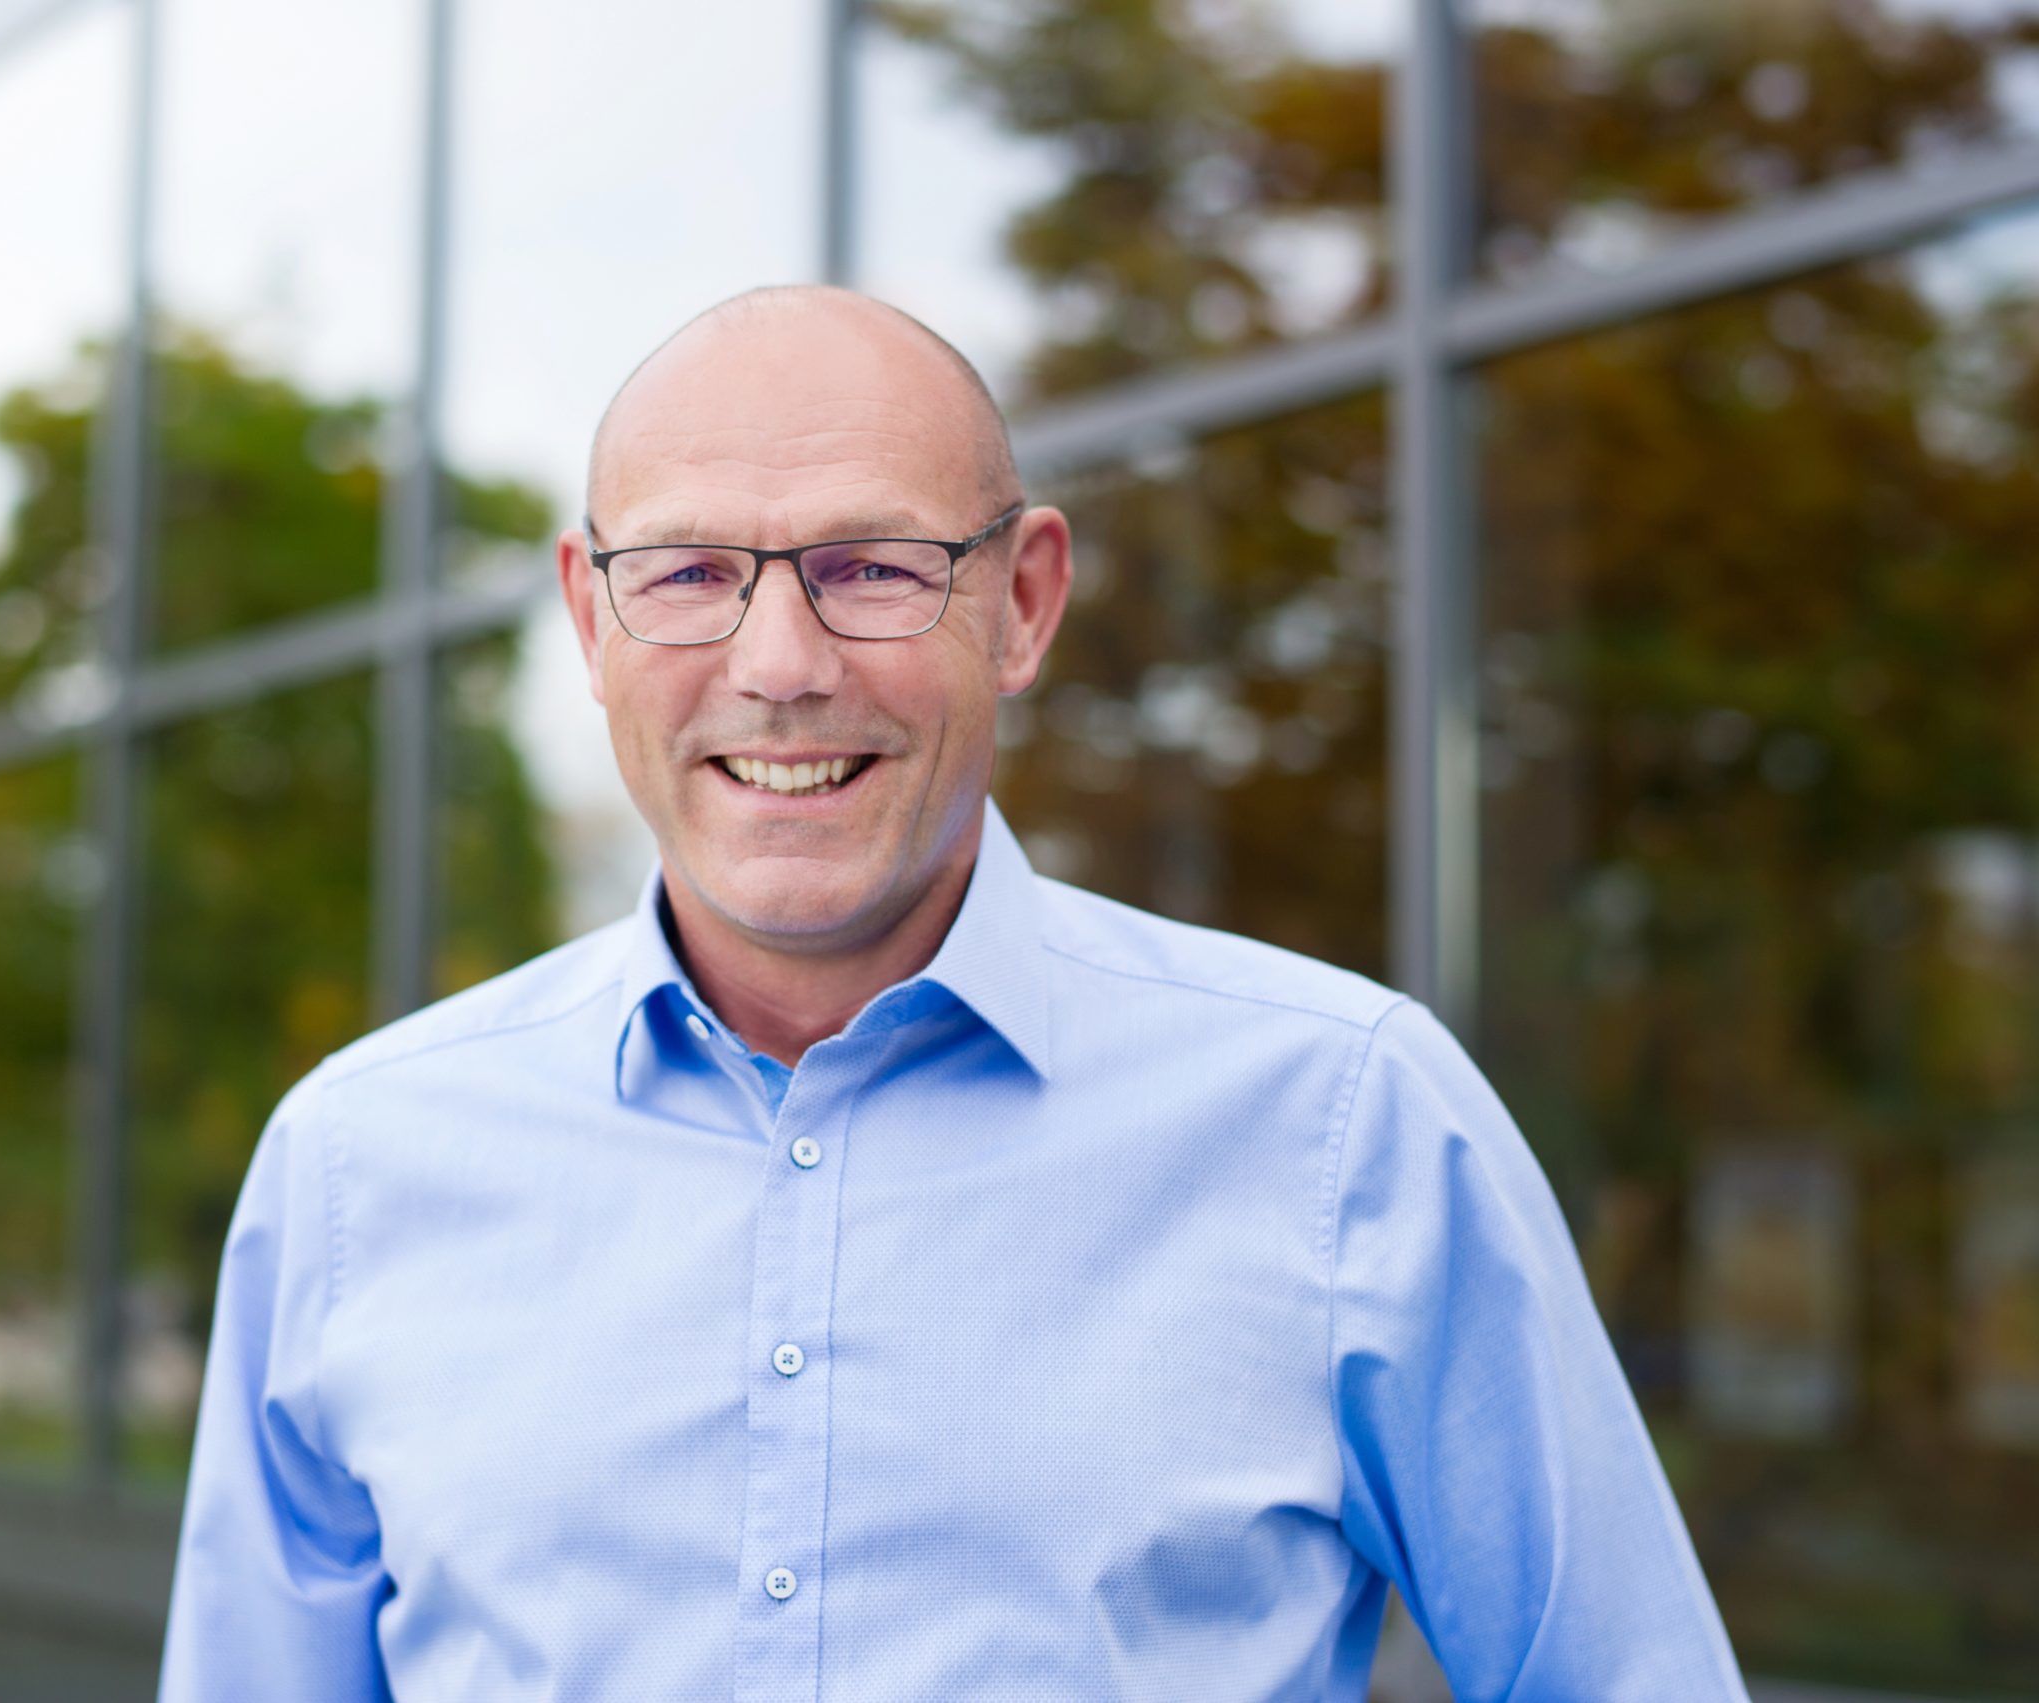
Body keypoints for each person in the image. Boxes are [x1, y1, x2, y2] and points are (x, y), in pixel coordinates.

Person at [156, 285, 1749, 1700]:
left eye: (869, 566)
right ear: (590, 615)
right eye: (694, 572)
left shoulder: (1349, 1122)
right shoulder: (357, 1163)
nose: (778, 661)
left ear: (1026, 603)